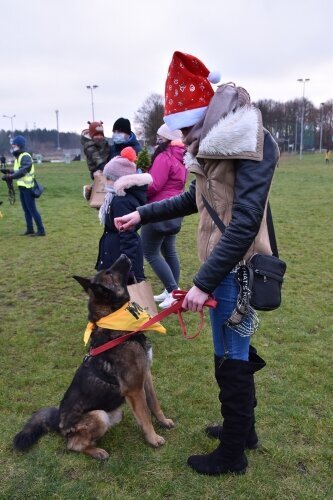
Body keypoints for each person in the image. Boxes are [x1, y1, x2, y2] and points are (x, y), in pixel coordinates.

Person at [114, 51, 280, 476]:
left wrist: (204, 282)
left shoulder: (251, 143)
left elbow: (243, 222)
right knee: (233, 353)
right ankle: (244, 431)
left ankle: (233, 452)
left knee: (230, 357)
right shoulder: (213, 145)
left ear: (203, 114)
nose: (183, 135)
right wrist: (143, 214)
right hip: (222, 270)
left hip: (235, 269)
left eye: (186, 125)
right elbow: (196, 199)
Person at [140, 123, 187, 309]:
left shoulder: (164, 157)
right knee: (169, 250)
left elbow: (153, 185)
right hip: (175, 209)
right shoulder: (182, 158)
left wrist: (140, 183)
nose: (156, 140)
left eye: (159, 137)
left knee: (150, 251)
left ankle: (173, 291)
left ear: (165, 138)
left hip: (158, 209)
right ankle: (172, 291)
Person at [95, 147, 152, 283]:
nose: (105, 181)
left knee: (127, 298)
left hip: (119, 254)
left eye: (109, 178)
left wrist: (127, 266)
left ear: (119, 180)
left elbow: (128, 236)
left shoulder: (122, 202)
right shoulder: (115, 197)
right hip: (113, 251)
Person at [1, 135, 45, 236]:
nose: (13, 146)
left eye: (14, 145)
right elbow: (19, 170)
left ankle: (41, 230)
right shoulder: (19, 156)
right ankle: (30, 229)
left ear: (20, 145)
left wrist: (10, 176)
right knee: (26, 210)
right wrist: (9, 171)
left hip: (28, 188)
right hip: (22, 187)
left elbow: (24, 170)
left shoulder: (25, 156)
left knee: (32, 210)